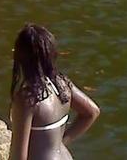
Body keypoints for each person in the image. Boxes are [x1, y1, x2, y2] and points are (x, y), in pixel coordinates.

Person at [8, 24, 99, 160]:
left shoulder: (28, 99)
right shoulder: (61, 84)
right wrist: (60, 142)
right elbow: (92, 112)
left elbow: (19, 157)